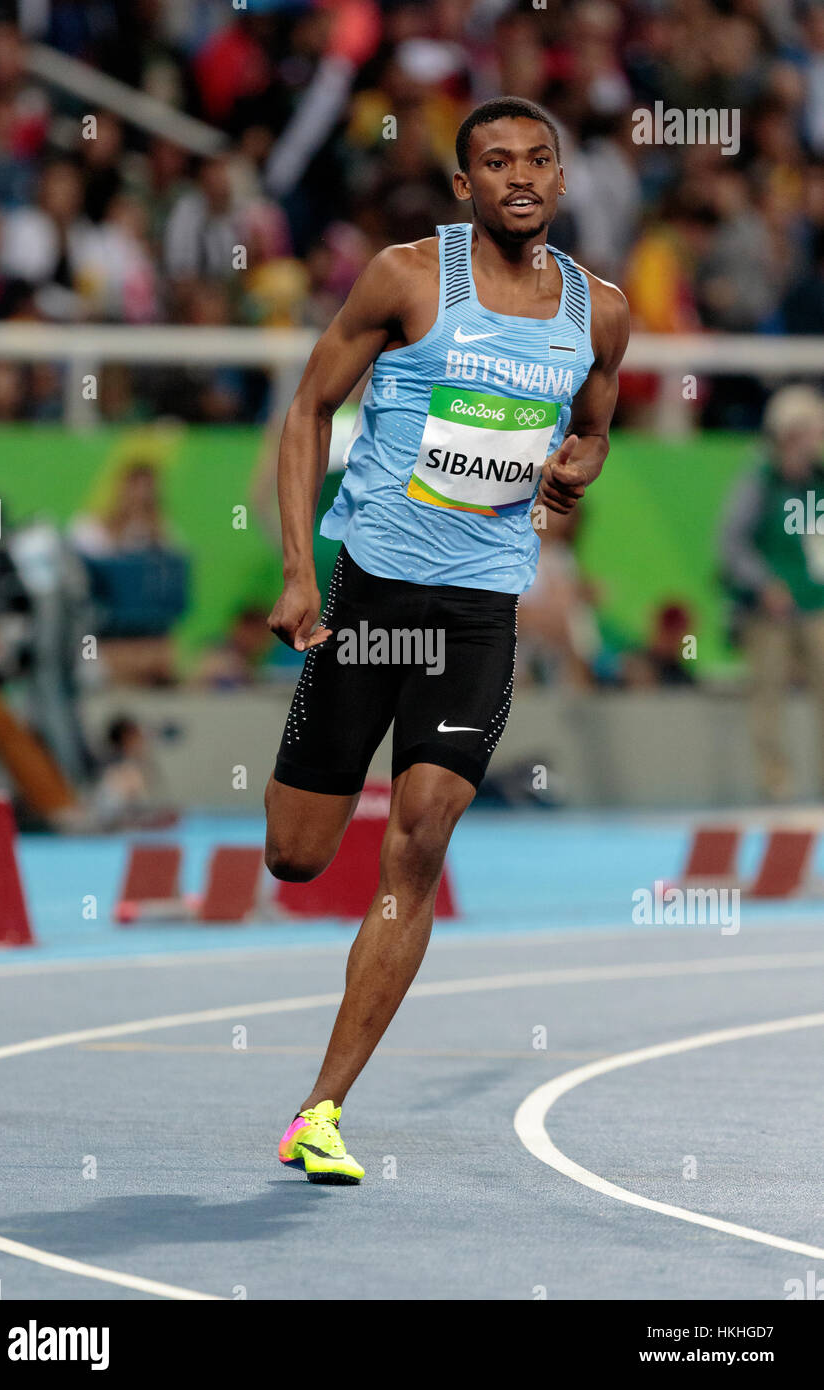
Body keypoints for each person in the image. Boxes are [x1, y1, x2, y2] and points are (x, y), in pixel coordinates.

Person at [264, 96, 629, 1183]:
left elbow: (596, 425)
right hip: (369, 599)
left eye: (536, 160)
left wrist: (575, 465)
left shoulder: (599, 313)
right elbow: (305, 410)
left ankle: (320, 1109)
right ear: (463, 186)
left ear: (559, 183)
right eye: (493, 162)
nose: (518, 176)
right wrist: (295, 569)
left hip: (477, 612)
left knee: (420, 830)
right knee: (296, 854)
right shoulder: (406, 278)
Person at [720, 384, 824, 801]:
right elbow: (731, 543)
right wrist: (764, 584)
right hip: (770, 611)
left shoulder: (819, 481)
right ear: (787, 435)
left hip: (817, 604)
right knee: (768, 700)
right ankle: (776, 784)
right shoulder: (759, 481)